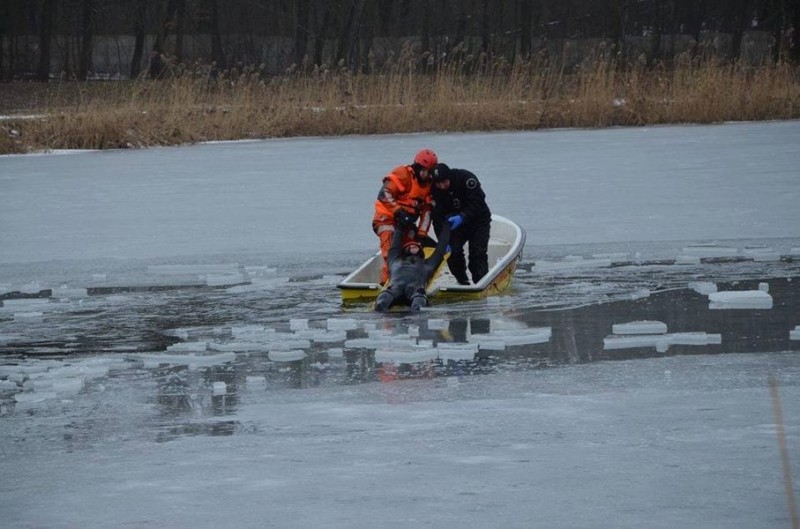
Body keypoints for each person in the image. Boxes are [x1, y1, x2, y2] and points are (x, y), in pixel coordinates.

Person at [372, 149, 439, 284]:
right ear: (417, 167)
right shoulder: (402, 174)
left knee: (413, 249)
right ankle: (387, 284)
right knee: (390, 254)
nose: (425, 175)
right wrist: (398, 211)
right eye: (424, 170)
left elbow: (427, 211)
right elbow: (384, 194)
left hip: (406, 223)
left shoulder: (429, 185)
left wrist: (422, 233)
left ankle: (413, 278)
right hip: (387, 219)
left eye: (429, 172)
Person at [431, 163, 492, 285]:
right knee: (453, 253)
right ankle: (462, 281)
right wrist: (443, 241)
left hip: (478, 221)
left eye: (444, 182)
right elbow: (437, 218)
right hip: (458, 226)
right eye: (439, 184)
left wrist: (462, 216)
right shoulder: (435, 191)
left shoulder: (466, 179)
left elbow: (478, 203)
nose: (442, 186)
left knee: (477, 254)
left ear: (449, 177)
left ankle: (481, 282)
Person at [374, 221, 451, 312]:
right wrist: (400, 225)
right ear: (404, 251)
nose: (413, 248)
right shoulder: (394, 259)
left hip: (415, 292)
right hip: (394, 289)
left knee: (418, 306)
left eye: (415, 247)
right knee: (381, 303)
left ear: (421, 252)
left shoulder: (428, 264)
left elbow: (440, 250)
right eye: (410, 247)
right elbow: (396, 243)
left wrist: (447, 227)